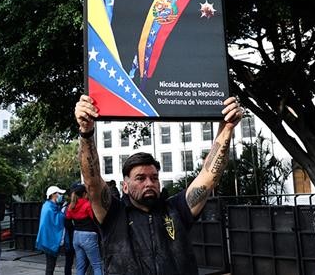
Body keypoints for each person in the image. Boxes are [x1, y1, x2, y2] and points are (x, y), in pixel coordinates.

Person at [74, 94, 242, 275]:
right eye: (140, 178)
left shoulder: (177, 209)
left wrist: (227, 128)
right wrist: (86, 132)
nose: (149, 183)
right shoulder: (113, 214)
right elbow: (92, 181)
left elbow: (210, 175)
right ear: (125, 186)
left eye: (154, 177)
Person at [64, 184, 103, 275]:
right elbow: (96, 220)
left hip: (76, 236)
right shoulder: (88, 205)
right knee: (97, 265)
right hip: (88, 236)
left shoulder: (71, 206)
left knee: (80, 266)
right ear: (85, 194)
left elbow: (67, 222)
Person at [36, 185, 66, 275]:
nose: (61, 195)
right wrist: (63, 211)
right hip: (49, 241)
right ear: (53, 195)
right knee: (50, 265)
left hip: (47, 239)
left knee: (50, 264)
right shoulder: (50, 208)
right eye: (59, 193)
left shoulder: (48, 206)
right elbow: (57, 221)